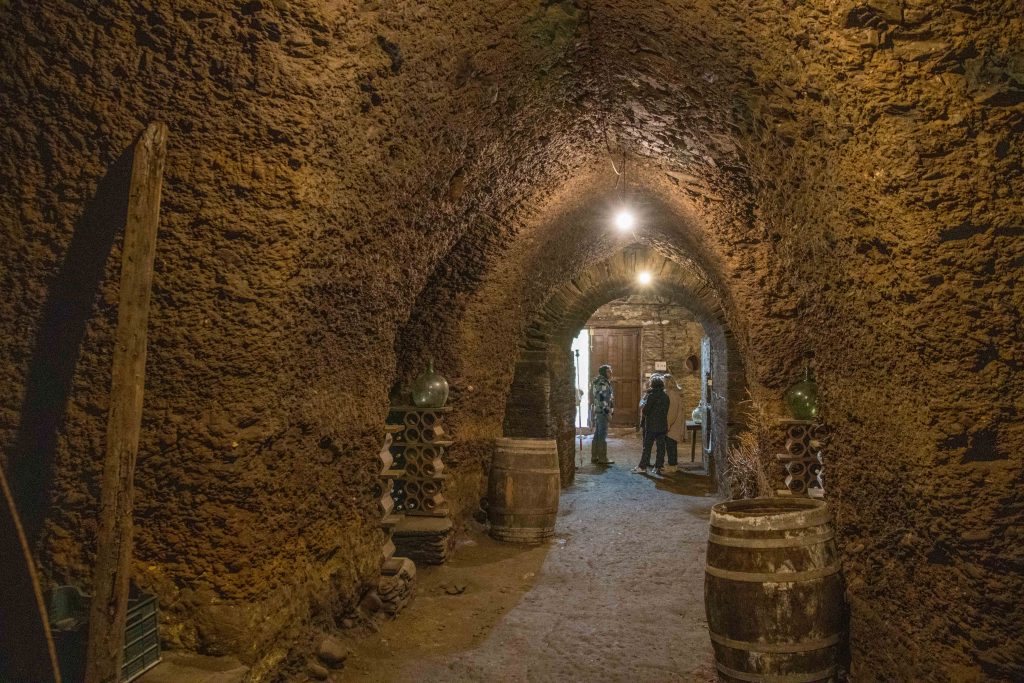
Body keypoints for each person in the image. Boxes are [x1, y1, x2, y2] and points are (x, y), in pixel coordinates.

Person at [632, 375, 669, 474]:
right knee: (661, 447)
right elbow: (666, 410)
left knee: (647, 447)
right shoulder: (665, 396)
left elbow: (645, 410)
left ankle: (643, 467)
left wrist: (644, 409)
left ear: (652, 385)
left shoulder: (651, 396)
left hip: (651, 426)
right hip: (662, 425)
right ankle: (658, 467)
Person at [589, 365, 615, 465]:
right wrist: (608, 412)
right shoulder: (602, 383)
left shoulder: (599, 382)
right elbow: (602, 400)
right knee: (602, 435)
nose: (611, 373)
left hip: (599, 411)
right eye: (609, 371)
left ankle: (595, 456)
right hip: (602, 412)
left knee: (597, 434)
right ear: (604, 372)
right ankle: (602, 458)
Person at [662, 373, 685, 474]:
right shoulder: (673, 393)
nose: (663, 383)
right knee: (671, 444)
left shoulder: (672, 394)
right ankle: (672, 464)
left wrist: (667, 424)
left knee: (671, 444)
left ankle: (672, 466)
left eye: (664, 381)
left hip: (673, 424)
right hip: (673, 423)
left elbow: (672, 412)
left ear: (668, 382)